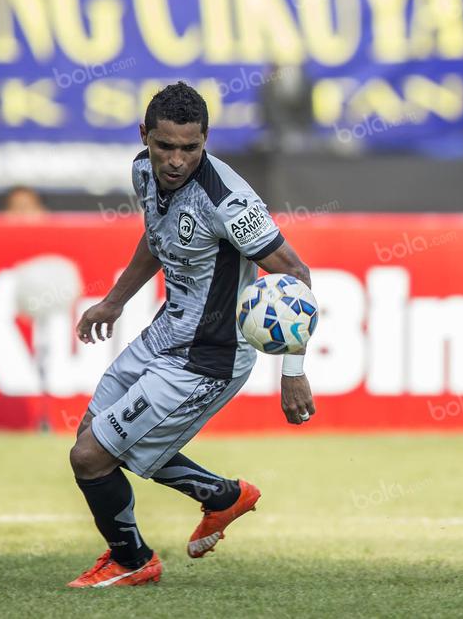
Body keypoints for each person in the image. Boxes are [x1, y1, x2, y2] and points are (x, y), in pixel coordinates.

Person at [67, 82, 316, 588]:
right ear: (145, 136)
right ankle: (222, 496)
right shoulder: (142, 170)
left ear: (206, 140)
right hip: (167, 331)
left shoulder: (227, 201)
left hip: (212, 355)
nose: (176, 160)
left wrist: (293, 371)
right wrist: (114, 300)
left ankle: (133, 560)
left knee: (92, 456)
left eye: (190, 148)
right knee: (92, 437)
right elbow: (156, 236)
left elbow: (296, 274)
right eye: (165, 146)